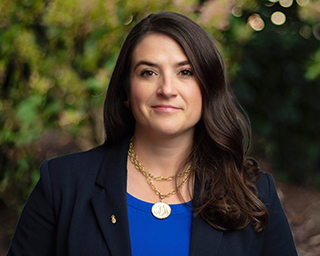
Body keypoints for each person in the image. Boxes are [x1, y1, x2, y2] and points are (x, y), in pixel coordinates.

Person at [7, 11, 297, 256]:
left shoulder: (255, 193)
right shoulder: (62, 183)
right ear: (125, 90)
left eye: (186, 72)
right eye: (148, 72)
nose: (167, 89)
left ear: (208, 88)